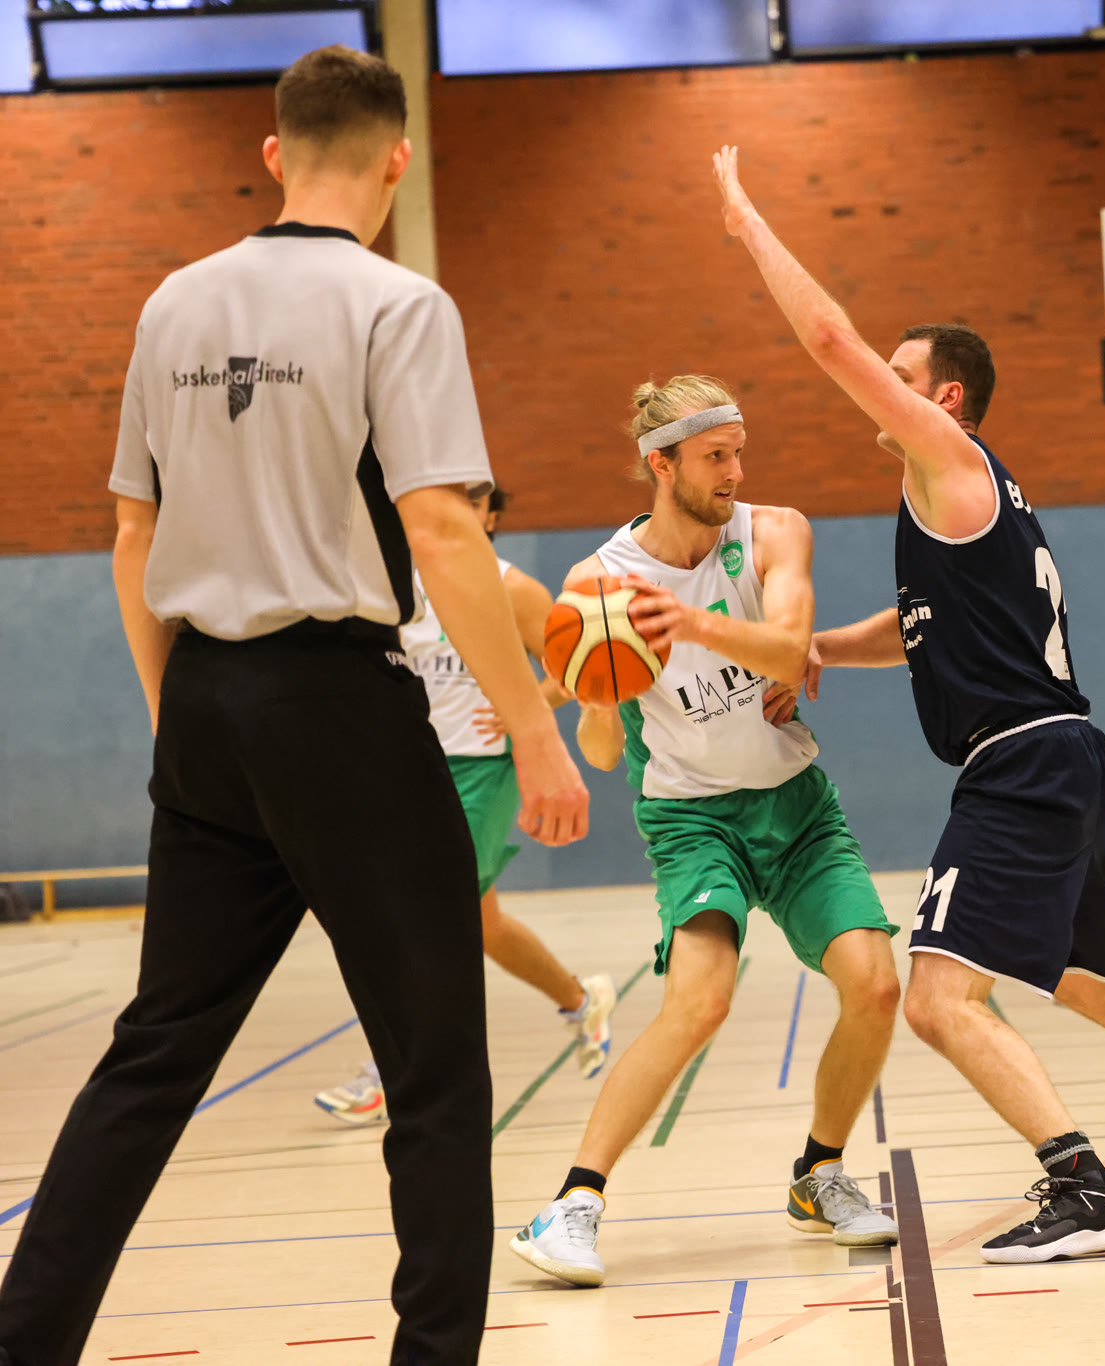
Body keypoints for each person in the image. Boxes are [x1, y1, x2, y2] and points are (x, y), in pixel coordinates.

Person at [0, 47, 587, 1366]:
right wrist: (535, 724)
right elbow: (441, 527)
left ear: (274, 153)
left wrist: (179, 716)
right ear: (398, 159)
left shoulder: (172, 302)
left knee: (154, 1052)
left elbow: (131, 536)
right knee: (436, 1068)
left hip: (206, 700)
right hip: (340, 706)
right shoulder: (399, 304)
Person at [711, 146, 1105, 1267]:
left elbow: (830, 340)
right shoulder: (959, 503)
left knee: (937, 999)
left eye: (902, 371)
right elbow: (917, 629)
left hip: (1021, 765)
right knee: (1086, 979)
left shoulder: (947, 458)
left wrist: (750, 226)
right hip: (1065, 750)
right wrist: (813, 650)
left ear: (942, 396)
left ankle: (1086, 1187)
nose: (880, 379)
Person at [508, 375, 901, 1288]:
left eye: (739, 453)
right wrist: (596, 702)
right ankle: (572, 1203)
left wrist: (689, 623)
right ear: (662, 463)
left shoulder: (775, 532)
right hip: (692, 819)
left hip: (796, 806)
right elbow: (604, 751)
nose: (735, 471)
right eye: (715, 456)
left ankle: (819, 1174)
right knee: (700, 1003)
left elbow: (790, 645)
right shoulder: (598, 583)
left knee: (876, 985)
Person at [314, 485, 618, 1125]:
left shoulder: (513, 588)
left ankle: (395, 1071)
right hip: (411, 767)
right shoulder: (391, 585)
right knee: (481, 924)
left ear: (490, 516)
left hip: (485, 768)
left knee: (426, 917)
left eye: (472, 500)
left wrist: (526, 709)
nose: (456, 509)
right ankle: (580, 998)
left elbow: (577, 666)